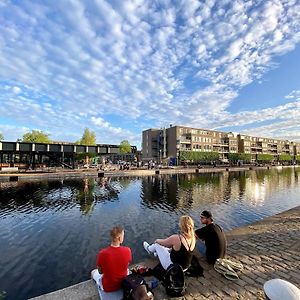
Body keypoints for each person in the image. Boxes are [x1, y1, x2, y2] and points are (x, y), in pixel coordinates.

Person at [91, 226, 132, 292]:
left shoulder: (102, 253)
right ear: (119, 238)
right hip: (123, 283)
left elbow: (100, 272)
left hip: (108, 287)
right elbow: (126, 265)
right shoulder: (128, 250)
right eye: (123, 236)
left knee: (93, 272)